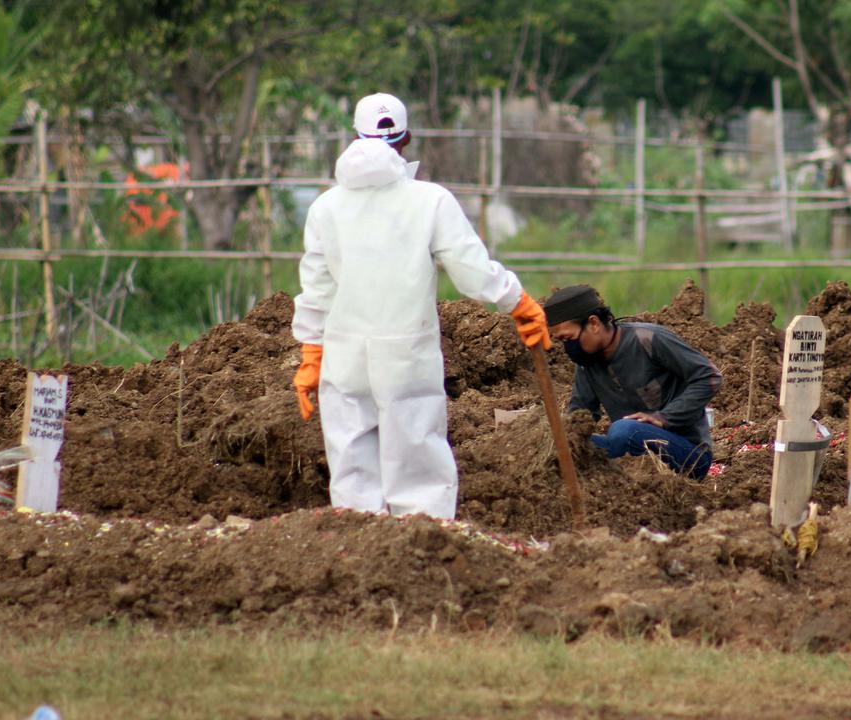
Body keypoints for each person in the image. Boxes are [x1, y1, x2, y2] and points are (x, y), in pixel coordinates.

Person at [291, 92, 550, 519]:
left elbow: (316, 289)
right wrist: (517, 301)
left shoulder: (326, 207)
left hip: (344, 351)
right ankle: (422, 541)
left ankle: (357, 541)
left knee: (351, 452)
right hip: (406, 350)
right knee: (416, 460)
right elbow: (471, 270)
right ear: (406, 139)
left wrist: (311, 352)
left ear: (355, 137)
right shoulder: (429, 200)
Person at [542, 285, 722, 478]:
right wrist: (560, 440)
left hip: (688, 454)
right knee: (562, 446)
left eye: (568, 338)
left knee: (622, 430)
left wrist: (665, 417)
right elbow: (580, 415)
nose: (568, 347)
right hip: (629, 447)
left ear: (593, 324)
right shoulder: (587, 363)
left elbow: (709, 377)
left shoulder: (648, 339)